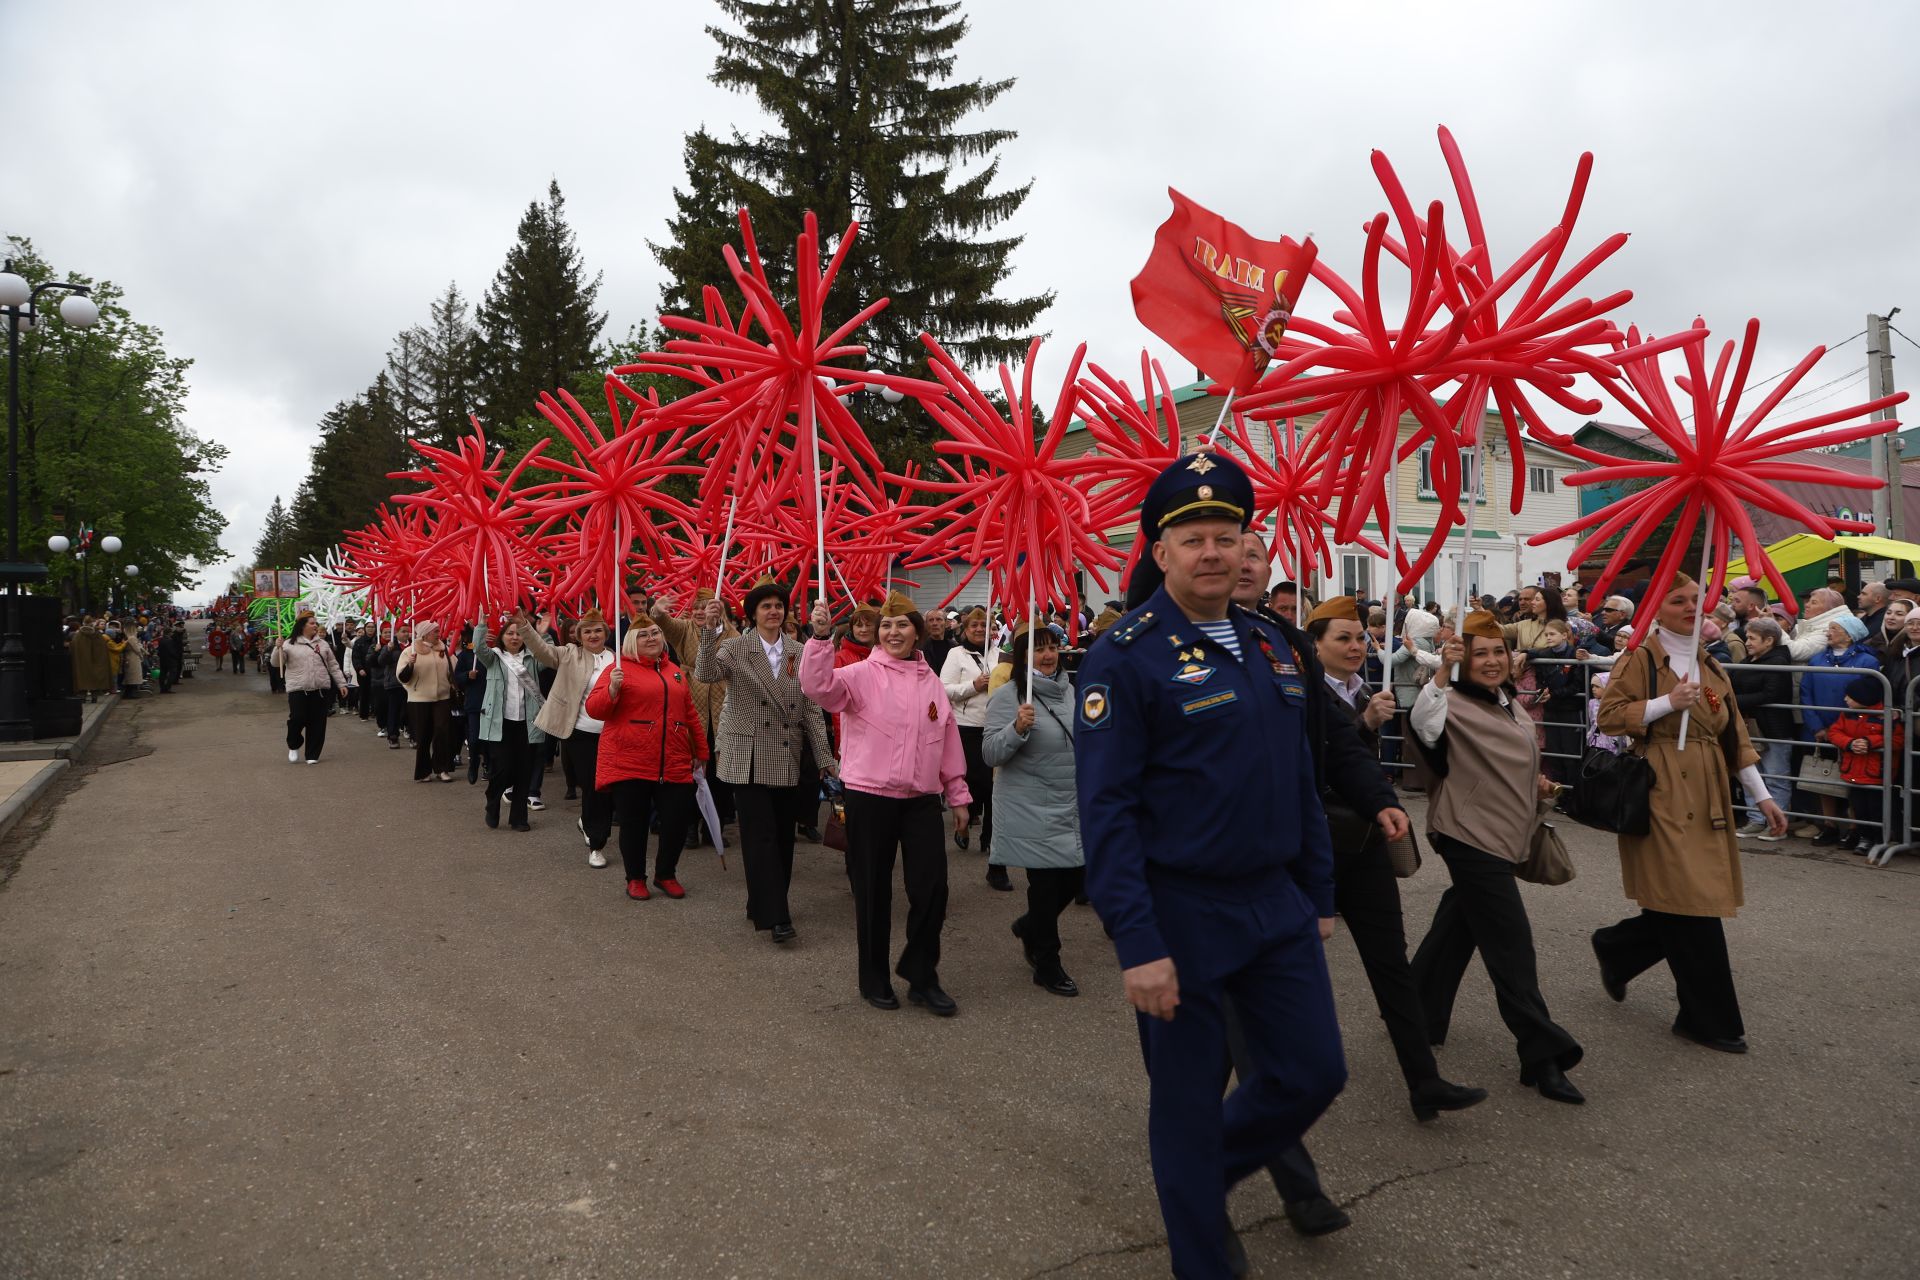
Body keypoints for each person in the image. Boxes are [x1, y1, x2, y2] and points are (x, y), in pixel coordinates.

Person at [1075, 452, 1346, 1278]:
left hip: (1274, 905)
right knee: (1187, 1106)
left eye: (1226, 536)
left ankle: (1198, 1178)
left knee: (1313, 1073)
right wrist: (1136, 942)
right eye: (1192, 539)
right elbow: (1107, 811)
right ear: (1160, 553)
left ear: (1245, 544)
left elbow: (1299, 779)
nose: (1212, 553)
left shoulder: (1272, 646)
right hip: (1180, 912)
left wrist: (1318, 893)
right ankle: (1201, 1245)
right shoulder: (1125, 655)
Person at [1593, 576, 1788, 1054]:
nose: (1687, 608)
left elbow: (1734, 738)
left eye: (1694, 601)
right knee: (1691, 902)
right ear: (1655, 609)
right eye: (1676, 600)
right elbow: (1610, 716)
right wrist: (1666, 703)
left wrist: (1761, 796)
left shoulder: (1713, 668)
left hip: (1706, 792)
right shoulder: (1640, 658)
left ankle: (1619, 949)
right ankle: (1708, 1018)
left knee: (1683, 898)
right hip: (1659, 789)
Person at [1408, 610, 1585, 1105]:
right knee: (1511, 946)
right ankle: (1542, 1055)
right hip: (1469, 836)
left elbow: (1511, 754)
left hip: (1504, 834)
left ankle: (1413, 1012)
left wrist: (1536, 782)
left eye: (1498, 652)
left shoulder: (1508, 700)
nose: (1491, 661)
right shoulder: (1450, 701)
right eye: (1479, 652)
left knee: (1458, 924)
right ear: (1463, 657)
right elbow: (1424, 726)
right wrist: (1442, 671)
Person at [803, 592, 969, 1014]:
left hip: (921, 800)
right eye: (886, 626)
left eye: (902, 625)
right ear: (878, 634)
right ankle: (873, 977)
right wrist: (820, 639)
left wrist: (959, 794)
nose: (894, 632)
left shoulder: (930, 680)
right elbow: (818, 687)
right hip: (869, 796)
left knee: (932, 890)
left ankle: (921, 974)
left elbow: (947, 739)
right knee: (873, 892)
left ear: (916, 631)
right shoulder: (860, 674)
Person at [695, 581, 837, 944]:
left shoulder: (800, 651)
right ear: (752, 613)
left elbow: (810, 707)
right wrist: (708, 631)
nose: (773, 611)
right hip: (748, 755)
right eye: (765, 606)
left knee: (783, 838)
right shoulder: (735, 647)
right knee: (760, 837)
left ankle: (763, 900)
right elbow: (706, 674)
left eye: (778, 605)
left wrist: (825, 757)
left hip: (787, 752)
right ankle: (777, 915)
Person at [982, 623, 1084, 998]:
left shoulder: (1070, 691)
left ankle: (1029, 926)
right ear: (1023, 656)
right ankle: (1047, 962)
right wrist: (1016, 729)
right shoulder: (1010, 695)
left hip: (1069, 803)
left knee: (1076, 879)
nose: (1047, 655)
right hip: (1029, 804)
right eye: (1038, 649)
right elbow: (990, 753)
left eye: (1052, 647)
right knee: (1044, 889)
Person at [585, 616, 708, 900]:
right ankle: (635, 877)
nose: (652, 638)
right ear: (631, 642)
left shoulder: (674, 672)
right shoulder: (618, 670)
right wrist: (613, 690)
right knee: (634, 824)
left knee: (677, 821)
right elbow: (595, 709)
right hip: (631, 762)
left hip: (674, 761)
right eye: (644, 635)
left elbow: (689, 714)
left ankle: (666, 874)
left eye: (655, 633)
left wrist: (700, 751)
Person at [517, 608, 618, 866]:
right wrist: (525, 627)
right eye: (587, 631)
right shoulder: (570, 654)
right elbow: (542, 651)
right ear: (579, 635)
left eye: (598, 630)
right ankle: (596, 844)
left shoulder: (617, 659)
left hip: (612, 734)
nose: (593, 635)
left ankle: (588, 821)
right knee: (592, 785)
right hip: (580, 732)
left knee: (608, 788)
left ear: (606, 633)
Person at [650, 590, 736, 846]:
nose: (700, 612)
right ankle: (689, 827)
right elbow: (662, 622)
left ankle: (714, 828)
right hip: (688, 698)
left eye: (705, 607)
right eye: (696, 607)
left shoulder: (732, 634)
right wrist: (657, 610)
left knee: (719, 775)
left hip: (722, 704)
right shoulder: (684, 629)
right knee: (690, 769)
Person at [1799, 611, 1878, 846]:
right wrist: (1815, 726)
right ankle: (1829, 825)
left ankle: (1854, 828)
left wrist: (1846, 730)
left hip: (1853, 731)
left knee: (1853, 780)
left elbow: (1868, 697)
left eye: (1834, 628)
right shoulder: (1817, 659)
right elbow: (1806, 693)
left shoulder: (1867, 661)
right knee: (1825, 777)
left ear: (1849, 635)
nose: (1828, 632)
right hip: (1820, 729)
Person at [940, 607, 1000, 880]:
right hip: (967, 728)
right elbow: (944, 690)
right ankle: (964, 824)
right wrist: (974, 686)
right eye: (974, 625)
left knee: (993, 785)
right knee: (974, 782)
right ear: (965, 629)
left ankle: (989, 835)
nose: (979, 630)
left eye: (983, 626)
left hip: (995, 727)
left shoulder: (999, 654)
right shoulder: (957, 654)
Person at [475, 615, 546, 833]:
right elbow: (478, 648)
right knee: (503, 769)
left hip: (527, 723)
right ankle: (493, 802)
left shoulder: (533, 659)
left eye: (519, 633)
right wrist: (481, 623)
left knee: (524, 771)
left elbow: (551, 655)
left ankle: (519, 818)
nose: (515, 637)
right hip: (500, 723)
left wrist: (540, 634)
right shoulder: (494, 658)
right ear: (502, 636)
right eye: (510, 633)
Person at [1728, 616, 1797, 840]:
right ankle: (1755, 819)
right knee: (1752, 774)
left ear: (1769, 641)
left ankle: (1776, 823)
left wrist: (1736, 700)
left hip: (1773, 727)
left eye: (1752, 638)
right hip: (1751, 726)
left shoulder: (1778, 662)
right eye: (1747, 637)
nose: (1747, 642)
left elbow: (1772, 693)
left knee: (1775, 775)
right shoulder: (1748, 662)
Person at [1826, 674, 1902, 854]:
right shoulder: (1847, 714)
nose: (1845, 699)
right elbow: (1834, 732)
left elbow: (1898, 739)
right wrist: (1850, 743)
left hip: (1876, 773)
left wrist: (1870, 742)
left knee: (1877, 808)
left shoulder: (1886, 716)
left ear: (1864, 697)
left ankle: (1880, 839)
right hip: (1854, 771)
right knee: (1859, 807)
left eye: (1850, 696)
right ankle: (1865, 838)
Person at [274, 614, 348, 764]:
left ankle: (312, 754)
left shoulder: (323, 644)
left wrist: (342, 684)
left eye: (316, 623)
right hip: (298, 688)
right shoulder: (289, 643)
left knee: (318, 722)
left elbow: (333, 666)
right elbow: (276, 663)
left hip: (320, 688)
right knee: (297, 718)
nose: (315, 626)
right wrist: (278, 648)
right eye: (312, 623)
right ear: (303, 625)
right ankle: (294, 744)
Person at [397, 621, 457, 782]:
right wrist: (410, 663)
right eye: (435, 631)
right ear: (425, 633)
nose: (439, 633)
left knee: (442, 732)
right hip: (419, 698)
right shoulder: (410, 651)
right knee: (423, 736)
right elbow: (401, 677)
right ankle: (423, 771)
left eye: (439, 631)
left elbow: (454, 670)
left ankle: (442, 768)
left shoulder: (444, 650)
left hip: (442, 697)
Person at [454, 626, 488, 783]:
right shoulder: (466, 655)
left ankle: (488, 765)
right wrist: (467, 675)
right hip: (474, 702)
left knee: (489, 739)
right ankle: (473, 762)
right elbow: (457, 677)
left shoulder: (491, 653)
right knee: (474, 739)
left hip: (490, 702)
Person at [70, 616, 112, 703]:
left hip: (82, 662)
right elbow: (102, 649)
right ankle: (94, 697)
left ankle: (82, 696)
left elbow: (73, 648)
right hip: (96, 661)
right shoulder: (97, 635)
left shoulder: (78, 636)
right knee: (95, 677)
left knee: (82, 677)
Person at [919, 606, 954, 676]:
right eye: (931, 620)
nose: (934, 623)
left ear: (947, 623)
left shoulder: (955, 647)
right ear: (926, 624)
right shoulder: (920, 649)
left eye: (939, 619)